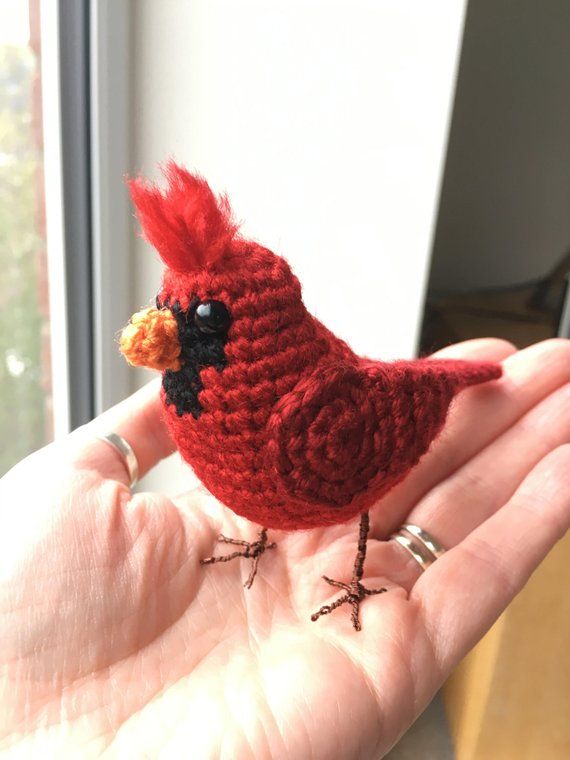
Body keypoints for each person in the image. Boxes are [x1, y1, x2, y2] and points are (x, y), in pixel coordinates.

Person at [1, 337, 569, 758]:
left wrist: (356, 576)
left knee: (357, 502)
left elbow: (364, 487)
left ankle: (353, 579)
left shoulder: (312, 417)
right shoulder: (197, 403)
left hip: (384, 430)